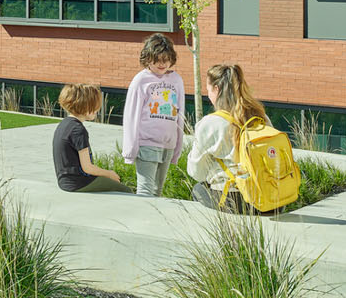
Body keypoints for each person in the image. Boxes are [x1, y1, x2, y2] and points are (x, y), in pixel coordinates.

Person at [186, 62, 273, 212]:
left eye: (208, 90)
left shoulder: (209, 123)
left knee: (198, 189)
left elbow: (196, 173)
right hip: (265, 196)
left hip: (234, 199)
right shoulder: (260, 116)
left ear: (216, 89)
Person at [121, 33, 186, 198]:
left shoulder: (176, 80)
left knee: (157, 191)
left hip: (168, 145)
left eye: (166, 59)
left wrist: (177, 147)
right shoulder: (140, 81)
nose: (162, 64)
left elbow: (180, 114)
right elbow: (131, 115)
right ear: (147, 58)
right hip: (147, 144)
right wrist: (130, 150)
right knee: (145, 191)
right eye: (157, 59)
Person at [51, 83, 132, 194]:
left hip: (65, 182)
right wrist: (109, 174)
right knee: (125, 190)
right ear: (85, 106)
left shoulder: (64, 124)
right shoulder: (78, 130)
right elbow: (87, 168)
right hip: (79, 183)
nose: (97, 109)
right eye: (95, 106)